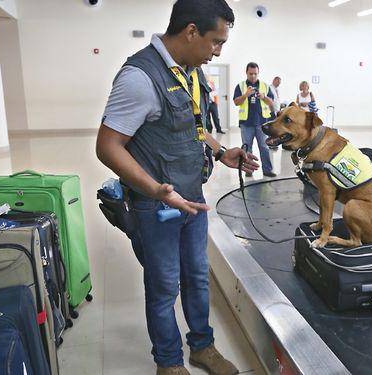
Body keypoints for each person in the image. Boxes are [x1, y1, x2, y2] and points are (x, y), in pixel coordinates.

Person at [95, 1, 259, 374]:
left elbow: (193, 125)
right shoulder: (139, 77)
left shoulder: (189, 70)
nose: (218, 50)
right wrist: (155, 190)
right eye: (215, 42)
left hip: (192, 202)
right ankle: (168, 362)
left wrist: (221, 152)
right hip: (157, 207)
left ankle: (202, 347)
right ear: (190, 32)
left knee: (198, 280)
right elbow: (107, 146)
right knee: (164, 287)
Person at [233, 62, 276, 177]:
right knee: (247, 148)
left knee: (264, 147)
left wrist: (263, 97)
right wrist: (245, 95)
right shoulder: (241, 86)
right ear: (246, 73)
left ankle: (267, 170)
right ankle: (248, 171)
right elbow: (236, 102)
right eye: (250, 73)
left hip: (262, 123)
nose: (253, 76)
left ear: (258, 73)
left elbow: (271, 102)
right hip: (246, 123)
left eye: (255, 74)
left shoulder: (265, 86)